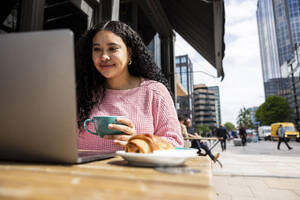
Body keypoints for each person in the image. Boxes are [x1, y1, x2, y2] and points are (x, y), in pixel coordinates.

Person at [76, 20, 184, 151]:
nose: (104, 56)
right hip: (84, 171)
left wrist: (138, 141)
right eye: (97, 49)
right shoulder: (83, 93)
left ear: (129, 53)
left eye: (112, 48)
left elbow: (175, 143)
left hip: (136, 171)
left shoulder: (154, 92)